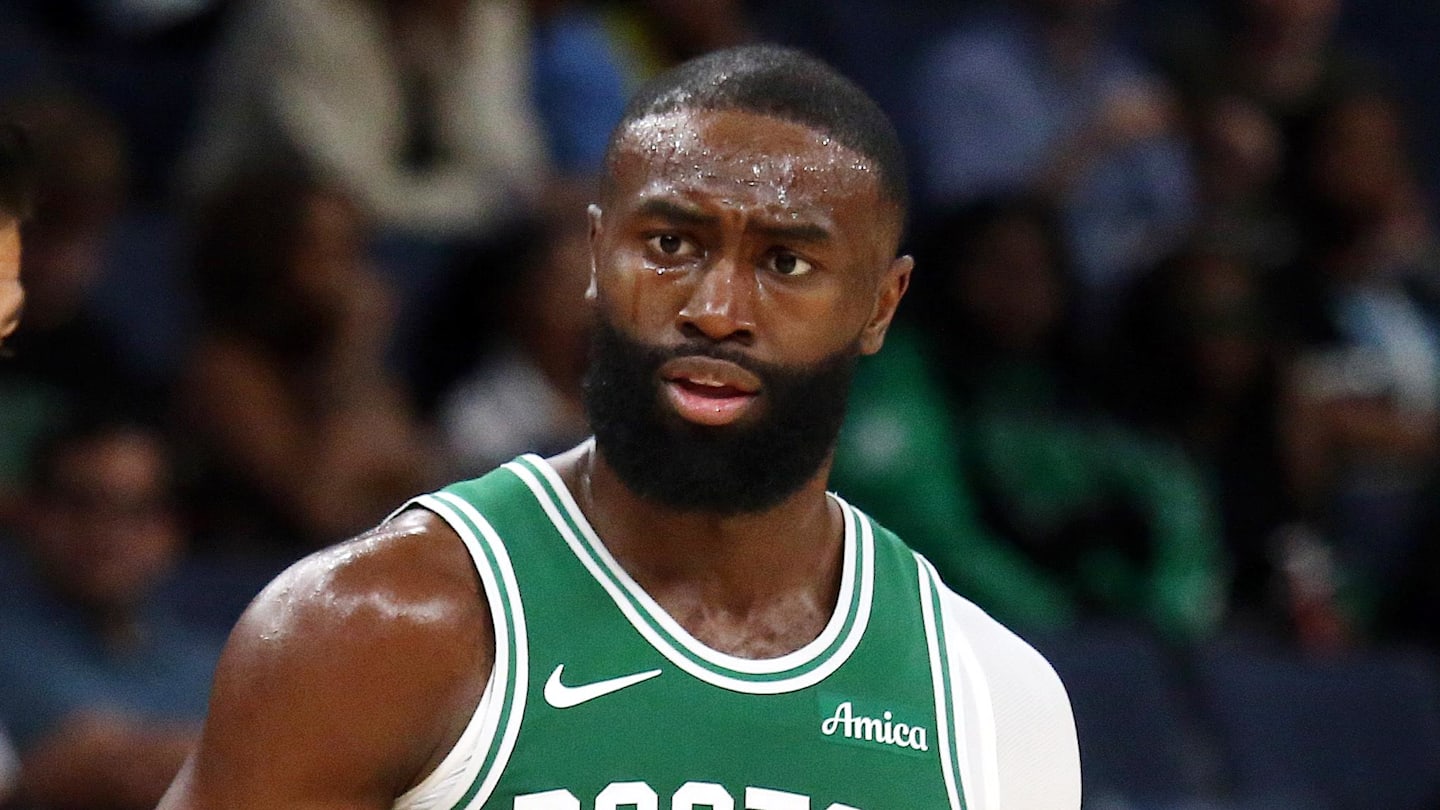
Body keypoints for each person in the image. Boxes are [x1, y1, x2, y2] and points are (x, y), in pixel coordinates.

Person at [158, 45, 1081, 810]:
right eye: (672, 245)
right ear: (597, 256)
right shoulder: (372, 628)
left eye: (787, 260)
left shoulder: (992, 699)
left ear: (882, 304)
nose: (717, 309)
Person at [0, 413, 223, 810]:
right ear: (28, 511)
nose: (105, 532)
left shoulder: (211, 659)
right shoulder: (10, 645)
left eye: (134, 509)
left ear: (171, 529)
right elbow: (100, 770)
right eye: (80, 503)